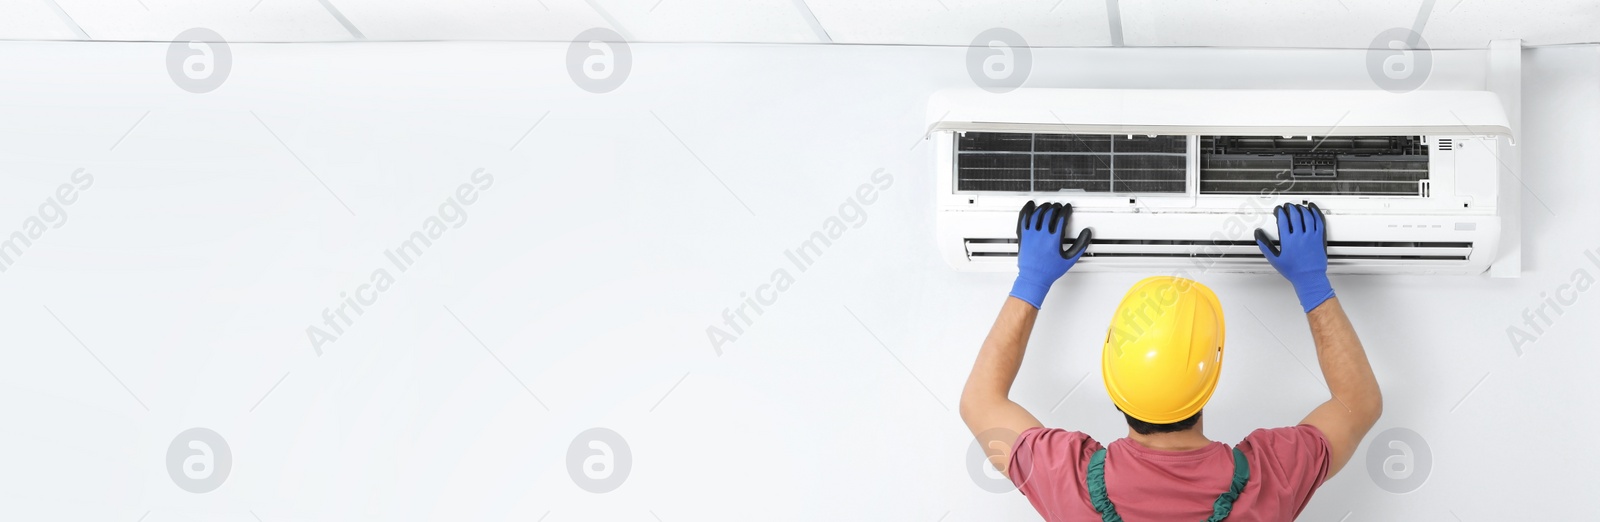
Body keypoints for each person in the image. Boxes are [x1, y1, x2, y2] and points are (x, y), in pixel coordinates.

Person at [959, 201, 1383, 521]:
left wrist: (1031, 280)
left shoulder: (1067, 482)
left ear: (1112, 382)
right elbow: (1357, 403)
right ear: (1211, 379)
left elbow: (980, 402)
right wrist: (1311, 281)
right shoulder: (1269, 478)